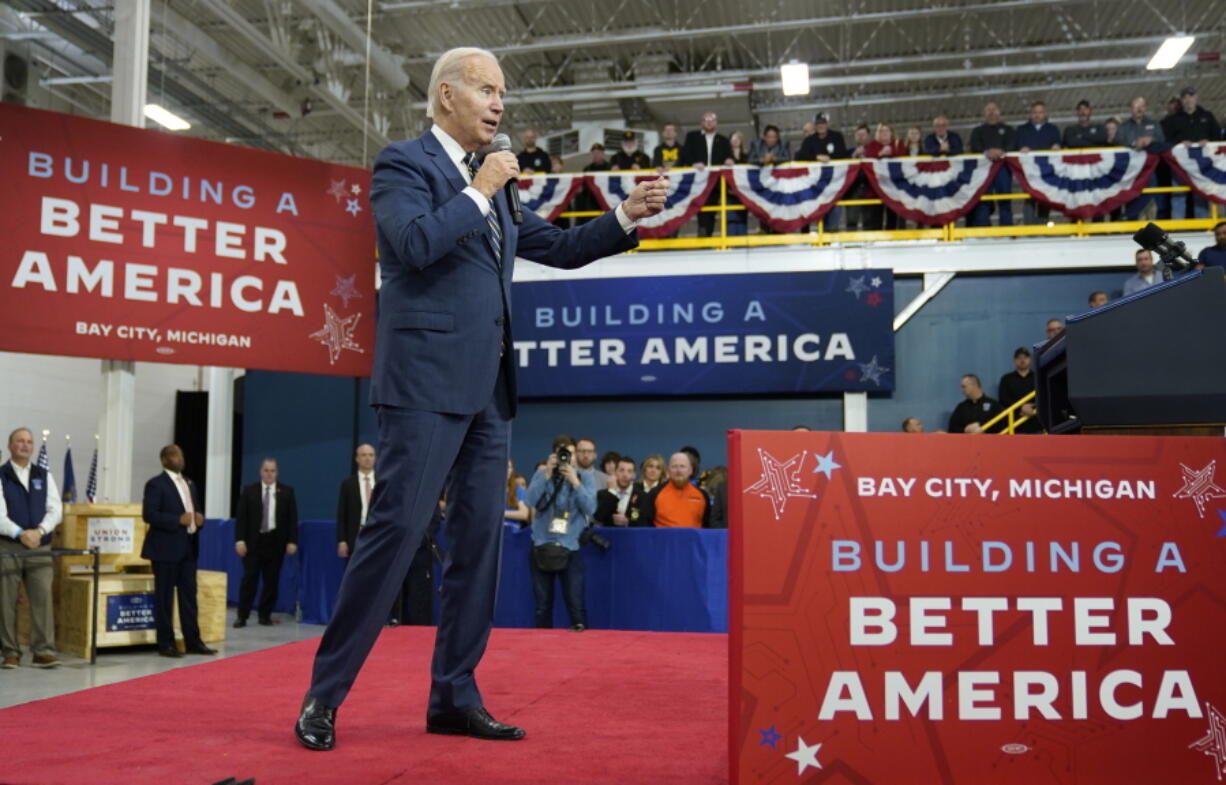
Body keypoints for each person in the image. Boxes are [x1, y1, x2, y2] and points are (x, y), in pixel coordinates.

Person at [294, 46, 667, 751]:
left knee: (479, 550)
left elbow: (554, 246)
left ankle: (454, 696)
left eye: (503, 93)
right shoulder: (405, 165)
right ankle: (324, 695)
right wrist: (477, 189)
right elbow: (409, 244)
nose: (500, 105)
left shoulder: (496, 183)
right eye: (488, 91)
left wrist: (622, 215)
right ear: (446, 98)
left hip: (489, 393)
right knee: (396, 536)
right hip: (424, 386)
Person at [140, 444, 215, 658]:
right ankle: (166, 643)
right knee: (164, 598)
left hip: (188, 548)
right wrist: (177, 520)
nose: (180, 458)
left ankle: (193, 641)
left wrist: (200, 518)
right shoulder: (155, 484)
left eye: (181, 454)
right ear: (164, 460)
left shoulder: (190, 483)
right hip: (165, 550)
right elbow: (149, 515)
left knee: (189, 597)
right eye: (174, 455)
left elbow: (196, 509)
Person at [0, 428, 62, 669]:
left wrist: (40, 532)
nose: (25, 445)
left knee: (42, 598)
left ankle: (43, 651)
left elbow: (56, 509)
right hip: (9, 545)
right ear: (10, 446)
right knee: (6, 600)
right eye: (20, 441)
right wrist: (19, 533)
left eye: (29, 442)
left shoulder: (44, 475)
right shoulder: (2, 474)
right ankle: (10, 652)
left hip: (40, 546)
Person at [524, 436, 595, 632]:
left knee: (576, 605)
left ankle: (582, 648)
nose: (567, 458)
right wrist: (546, 474)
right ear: (554, 454)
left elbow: (591, 508)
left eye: (571, 454)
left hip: (570, 547)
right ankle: (542, 647)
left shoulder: (584, 476)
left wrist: (574, 482)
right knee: (542, 606)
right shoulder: (542, 474)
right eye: (563, 454)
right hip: (541, 545)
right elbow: (529, 502)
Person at [233, 458, 299, 628]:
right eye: (266, 470)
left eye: (272, 471)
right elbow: (242, 518)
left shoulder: (287, 492)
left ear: (277, 472)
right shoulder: (249, 491)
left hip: (275, 542)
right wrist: (240, 540)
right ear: (260, 472)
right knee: (249, 580)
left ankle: (265, 615)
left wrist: (292, 540)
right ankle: (242, 616)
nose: (269, 474)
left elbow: (292, 519)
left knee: (271, 581)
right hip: (254, 542)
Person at [1166, 87, 1220, 220]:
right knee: (1178, 193)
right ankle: (1178, 227)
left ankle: (1203, 224)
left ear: (1196, 97)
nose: (1188, 99)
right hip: (1179, 163)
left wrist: (1208, 142)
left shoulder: (1207, 116)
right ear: (1182, 100)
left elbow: (1217, 136)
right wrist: (1180, 142)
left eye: (1191, 96)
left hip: (1203, 164)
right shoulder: (1173, 119)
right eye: (1185, 97)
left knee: (1201, 193)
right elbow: (1166, 140)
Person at [681, 111, 733, 237]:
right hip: (697, 180)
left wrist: (730, 160)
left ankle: (706, 234)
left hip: (715, 181)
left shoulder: (724, 140)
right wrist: (693, 163)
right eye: (706, 120)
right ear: (701, 123)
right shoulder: (692, 137)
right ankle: (703, 231)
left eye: (712, 120)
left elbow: (729, 156)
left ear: (716, 123)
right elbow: (685, 154)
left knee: (712, 208)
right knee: (699, 207)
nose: (709, 122)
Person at [795, 114, 849, 230]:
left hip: (833, 184)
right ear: (815, 125)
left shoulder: (837, 137)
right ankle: (807, 239)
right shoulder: (809, 141)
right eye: (818, 123)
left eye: (823, 123)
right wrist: (816, 157)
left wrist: (830, 158)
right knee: (807, 207)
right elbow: (800, 157)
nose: (821, 126)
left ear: (828, 124)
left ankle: (830, 237)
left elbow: (843, 155)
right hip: (813, 185)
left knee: (834, 209)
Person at [1117, 97, 1165, 220]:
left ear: (1146, 108)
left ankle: (1129, 216)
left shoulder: (1154, 124)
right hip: (1131, 169)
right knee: (1131, 195)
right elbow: (1118, 143)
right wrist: (1134, 143)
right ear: (1130, 109)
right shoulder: (1123, 127)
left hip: (1151, 168)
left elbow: (1163, 142)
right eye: (1136, 106)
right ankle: (1129, 219)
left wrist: (1151, 140)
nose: (1139, 109)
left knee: (1153, 193)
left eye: (1142, 106)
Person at [969, 102, 1015, 227]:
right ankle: (983, 231)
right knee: (983, 200)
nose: (991, 112)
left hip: (1003, 168)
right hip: (983, 170)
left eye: (994, 109)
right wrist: (986, 152)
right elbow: (974, 146)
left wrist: (1001, 151)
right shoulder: (977, 131)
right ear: (984, 113)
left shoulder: (1008, 130)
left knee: (1005, 199)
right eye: (988, 110)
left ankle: (1007, 231)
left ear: (999, 112)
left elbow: (1012, 144)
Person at [1015, 102, 1061, 225]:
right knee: (1029, 198)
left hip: (1046, 170)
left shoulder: (1053, 129)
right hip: (1028, 171)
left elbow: (1058, 144)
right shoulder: (1021, 130)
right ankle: (1029, 228)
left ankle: (1042, 228)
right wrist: (1020, 149)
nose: (1037, 115)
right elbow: (1015, 148)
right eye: (1035, 112)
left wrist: (1057, 146)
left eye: (1040, 112)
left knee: (1045, 199)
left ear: (1045, 114)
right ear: (1031, 114)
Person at [642, 452, 708, 527]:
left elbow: (707, 526)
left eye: (682, 466)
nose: (678, 470)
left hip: (693, 538)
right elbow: (646, 526)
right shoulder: (654, 493)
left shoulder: (702, 495)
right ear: (668, 470)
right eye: (674, 466)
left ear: (691, 470)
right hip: (663, 538)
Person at [335, 443, 376, 561]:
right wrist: (342, 541)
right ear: (357, 459)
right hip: (355, 537)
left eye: (371, 455)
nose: (367, 458)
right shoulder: (348, 484)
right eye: (363, 455)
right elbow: (342, 514)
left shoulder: (382, 482)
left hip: (377, 536)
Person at [864, 124, 907, 230]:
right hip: (876, 189)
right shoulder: (872, 145)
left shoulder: (898, 144)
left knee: (892, 218)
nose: (884, 133)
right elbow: (868, 163)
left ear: (892, 132)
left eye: (887, 130)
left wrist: (892, 153)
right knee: (875, 218)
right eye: (881, 131)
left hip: (894, 188)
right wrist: (881, 153)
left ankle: (891, 242)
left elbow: (904, 162)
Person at [998, 348, 1040, 433]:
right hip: (1014, 425)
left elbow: (1044, 396)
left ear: (1030, 359)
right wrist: (1022, 407)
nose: (1022, 360)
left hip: (1037, 424)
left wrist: (1033, 407)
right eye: (1019, 358)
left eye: (1025, 357)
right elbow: (1003, 399)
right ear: (1014, 360)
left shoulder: (1038, 377)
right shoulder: (1006, 379)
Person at [593, 455, 637, 527]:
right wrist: (612, 492)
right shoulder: (603, 494)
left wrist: (628, 521)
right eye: (621, 470)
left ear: (634, 475)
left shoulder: (642, 496)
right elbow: (598, 517)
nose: (625, 475)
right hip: (608, 536)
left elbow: (644, 522)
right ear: (615, 472)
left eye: (629, 471)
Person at [726, 131, 750, 236]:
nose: (735, 140)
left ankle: (741, 245)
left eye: (738, 138)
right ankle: (731, 246)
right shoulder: (725, 157)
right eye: (733, 138)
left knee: (742, 219)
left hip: (742, 193)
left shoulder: (746, 156)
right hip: (729, 192)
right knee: (731, 219)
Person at [504, 461, 530, 528]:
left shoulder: (518, 490)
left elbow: (524, 514)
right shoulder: (489, 490)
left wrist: (500, 513)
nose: (507, 470)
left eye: (509, 467)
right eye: (503, 466)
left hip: (512, 531)